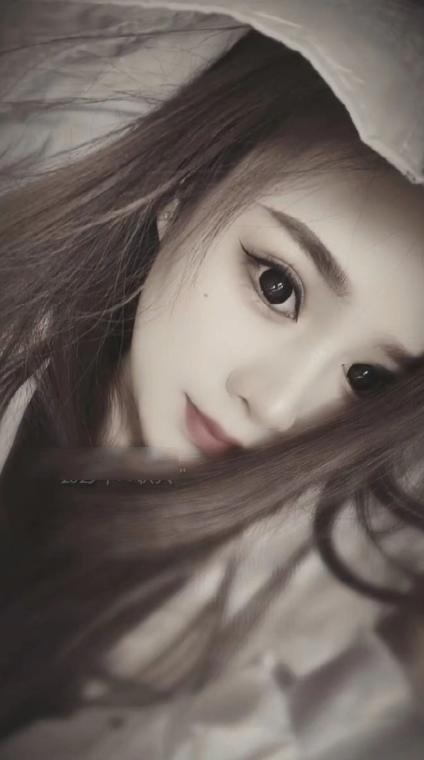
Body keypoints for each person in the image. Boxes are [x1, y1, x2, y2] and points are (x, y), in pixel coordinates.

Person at [1, 4, 424, 758]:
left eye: (367, 377)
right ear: (183, 194)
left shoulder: (297, 616)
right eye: (276, 286)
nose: (281, 407)